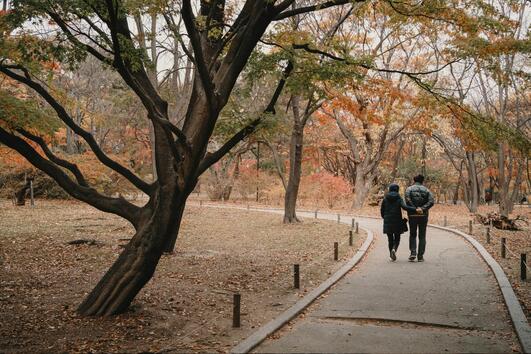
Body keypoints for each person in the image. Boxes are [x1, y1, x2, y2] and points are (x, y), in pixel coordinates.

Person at [380, 184, 417, 261]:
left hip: (388, 221)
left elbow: (382, 210)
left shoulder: (385, 198)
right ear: (397, 189)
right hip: (397, 221)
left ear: (390, 189)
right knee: (397, 238)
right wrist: (414, 209)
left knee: (390, 239)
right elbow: (404, 207)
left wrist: (385, 217)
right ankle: (394, 249)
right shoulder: (399, 198)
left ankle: (391, 255)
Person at [405, 175, 435, 262]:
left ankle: (413, 253)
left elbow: (407, 200)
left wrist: (415, 209)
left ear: (414, 180)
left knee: (413, 234)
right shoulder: (427, 190)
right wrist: (422, 209)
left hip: (412, 215)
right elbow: (431, 201)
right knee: (422, 235)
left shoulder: (409, 189)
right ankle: (420, 256)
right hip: (423, 215)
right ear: (422, 181)